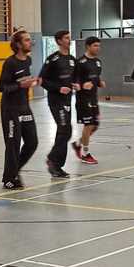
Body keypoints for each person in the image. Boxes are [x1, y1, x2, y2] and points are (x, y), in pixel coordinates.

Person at [0, 30, 39, 189]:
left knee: (32, 142)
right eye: (27, 40)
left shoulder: (28, 60)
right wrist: (20, 85)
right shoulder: (10, 63)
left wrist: (32, 82)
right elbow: (2, 87)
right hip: (11, 109)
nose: (30, 43)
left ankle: (14, 171)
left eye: (30, 40)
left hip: (24, 107)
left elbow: (24, 81)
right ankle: (9, 178)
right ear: (18, 44)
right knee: (13, 144)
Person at [39, 30, 78, 178]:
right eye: (66, 38)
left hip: (67, 100)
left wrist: (76, 84)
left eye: (69, 37)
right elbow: (42, 80)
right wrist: (58, 88)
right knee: (64, 129)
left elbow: (74, 78)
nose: (69, 40)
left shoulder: (72, 59)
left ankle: (56, 163)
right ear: (59, 41)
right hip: (56, 100)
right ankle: (53, 161)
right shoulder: (52, 59)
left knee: (66, 131)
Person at [72, 36, 104, 166]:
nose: (98, 48)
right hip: (83, 99)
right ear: (88, 46)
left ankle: (78, 144)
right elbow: (73, 80)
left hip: (93, 98)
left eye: (99, 46)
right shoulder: (80, 62)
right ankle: (85, 154)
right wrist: (81, 85)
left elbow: (96, 78)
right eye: (95, 45)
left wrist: (99, 82)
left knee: (95, 125)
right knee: (89, 125)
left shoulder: (97, 62)